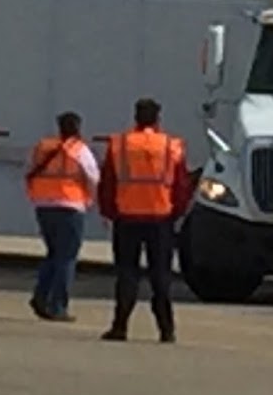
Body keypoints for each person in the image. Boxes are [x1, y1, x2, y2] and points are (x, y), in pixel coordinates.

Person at [97, 97, 191, 343]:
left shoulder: (120, 144)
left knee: (127, 273)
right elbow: (182, 185)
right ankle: (166, 330)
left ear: (136, 117)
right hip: (161, 218)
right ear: (158, 118)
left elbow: (107, 182)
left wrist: (110, 211)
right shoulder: (171, 145)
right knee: (161, 276)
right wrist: (175, 213)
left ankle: (120, 326)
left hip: (127, 218)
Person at [24, 111, 99, 323]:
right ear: (77, 128)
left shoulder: (42, 147)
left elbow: (28, 170)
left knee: (53, 253)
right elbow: (93, 177)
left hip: (44, 206)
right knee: (67, 258)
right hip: (70, 206)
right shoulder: (79, 150)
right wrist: (91, 200)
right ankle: (57, 306)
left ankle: (41, 296)